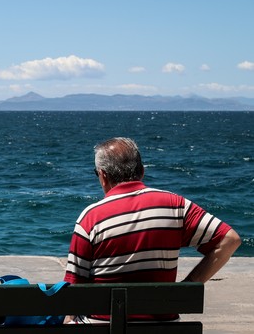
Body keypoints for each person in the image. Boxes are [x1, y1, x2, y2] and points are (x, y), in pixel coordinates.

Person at [64, 137, 241, 323]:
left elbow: (73, 293)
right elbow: (230, 240)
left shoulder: (90, 218)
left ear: (103, 175)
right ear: (141, 171)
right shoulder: (176, 205)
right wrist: (188, 286)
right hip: (163, 328)